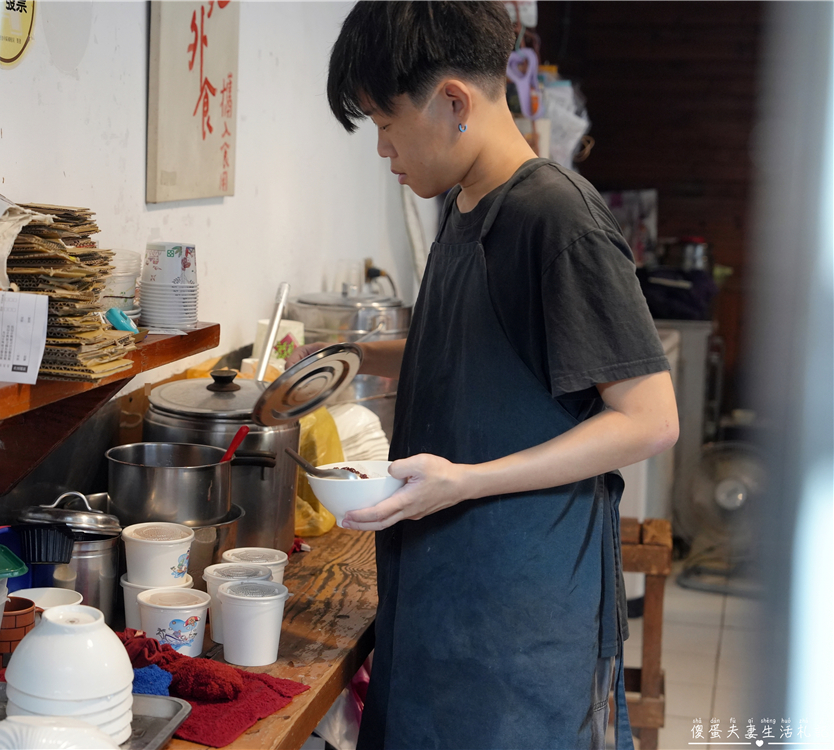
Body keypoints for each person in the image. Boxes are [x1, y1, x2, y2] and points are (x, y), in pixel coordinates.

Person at [289, 3, 679, 748]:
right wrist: (347, 356)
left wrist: (466, 482)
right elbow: (470, 347)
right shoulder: (465, 204)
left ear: (453, 102)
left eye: (386, 122)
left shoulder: (557, 219)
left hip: (519, 623)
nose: (383, 149)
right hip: (442, 592)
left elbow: (650, 418)